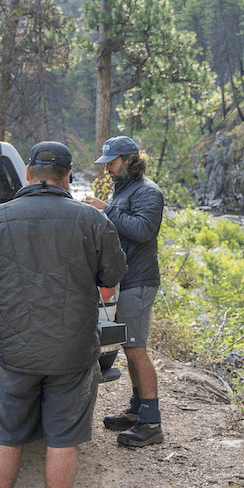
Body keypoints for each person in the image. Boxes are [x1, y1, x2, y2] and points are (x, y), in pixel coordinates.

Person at [0, 141, 126, 488]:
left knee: (6, 433)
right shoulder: (91, 220)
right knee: (63, 436)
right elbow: (111, 275)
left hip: (15, 352)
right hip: (72, 352)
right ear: (68, 177)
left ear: (28, 175)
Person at [86, 135, 165, 448]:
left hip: (140, 281)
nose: (106, 167)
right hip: (125, 280)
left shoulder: (148, 191)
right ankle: (137, 410)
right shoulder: (125, 189)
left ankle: (152, 423)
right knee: (131, 349)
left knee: (136, 349)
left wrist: (105, 210)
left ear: (129, 160)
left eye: (111, 161)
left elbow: (144, 230)